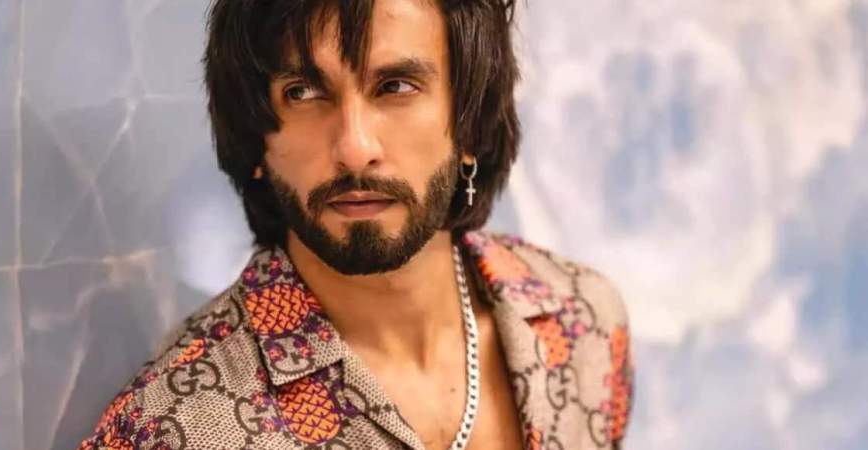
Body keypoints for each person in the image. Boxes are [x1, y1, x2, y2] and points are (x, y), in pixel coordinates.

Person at [77, 0, 633, 449]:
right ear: (257, 141)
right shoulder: (173, 428)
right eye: (303, 93)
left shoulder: (581, 320)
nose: (354, 148)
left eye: (396, 87)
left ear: (469, 126)